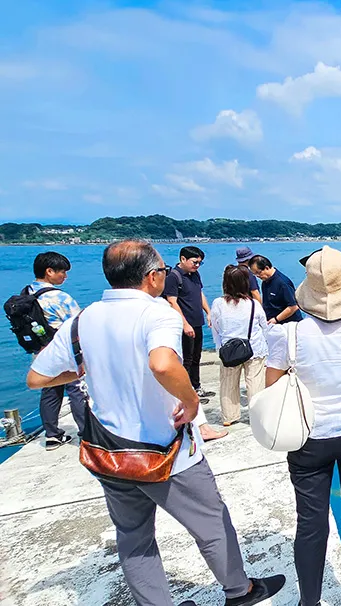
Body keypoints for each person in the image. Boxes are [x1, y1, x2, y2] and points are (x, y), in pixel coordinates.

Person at [26, 239, 285, 606]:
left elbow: (37, 376)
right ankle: (239, 590)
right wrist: (191, 401)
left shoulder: (83, 320)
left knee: (134, 537)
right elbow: (162, 363)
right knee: (211, 523)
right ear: (151, 277)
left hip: (110, 452)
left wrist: (83, 369)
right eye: (163, 270)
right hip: (164, 450)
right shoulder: (156, 313)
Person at [266, 246, 341, 606]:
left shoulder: (288, 336)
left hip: (308, 438)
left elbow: (271, 389)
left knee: (310, 523)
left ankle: (310, 601)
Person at [162, 246, 226, 441]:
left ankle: (196, 386)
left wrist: (208, 312)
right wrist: (184, 323)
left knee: (196, 357)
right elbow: (172, 301)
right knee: (187, 359)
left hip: (196, 321)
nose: (197, 265)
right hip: (185, 323)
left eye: (200, 263)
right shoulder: (174, 277)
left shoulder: (194, 275)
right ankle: (187, 390)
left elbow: (200, 294)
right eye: (194, 262)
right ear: (183, 258)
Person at [28, 252, 86, 450]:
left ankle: (52, 435)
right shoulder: (59, 297)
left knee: (50, 391)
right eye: (62, 271)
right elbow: (79, 324)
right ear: (49, 271)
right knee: (77, 389)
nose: (65, 276)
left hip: (42, 352)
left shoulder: (25, 294)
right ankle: (86, 433)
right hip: (64, 351)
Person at [211, 265, 270, 426]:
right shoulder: (253, 304)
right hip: (254, 348)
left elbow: (215, 327)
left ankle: (229, 417)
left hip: (229, 349)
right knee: (255, 383)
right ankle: (257, 416)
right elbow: (263, 326)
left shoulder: (218, 303)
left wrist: (219, 346)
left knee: (228, 383)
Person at [248, 255, 302, 325]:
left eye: (258, 273)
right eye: (254, 274)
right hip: (272, 323)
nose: (257, 276)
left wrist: (276, 319)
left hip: (287, 324)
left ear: (266, 268)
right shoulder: (265, 281)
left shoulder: (283, 283)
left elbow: (293, 307)